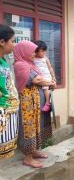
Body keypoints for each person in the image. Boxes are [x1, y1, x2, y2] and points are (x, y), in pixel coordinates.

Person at [13, 40, 55, 169]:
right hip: (26, 103)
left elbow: (41, 77)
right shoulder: (20, 65)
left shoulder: (30, 63)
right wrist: (50, 82)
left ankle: (34, 151)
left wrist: (47, 81)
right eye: (31, 51)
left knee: (36, 125)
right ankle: (28, 158)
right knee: (28, 128)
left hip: (34, 100)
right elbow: (36, 79)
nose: (34, 54)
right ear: (24, 52)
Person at [0, 24, 20, 180]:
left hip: (6, 114)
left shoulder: (3, 61)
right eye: (12, 41)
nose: (14, 45)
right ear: (1, 42)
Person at [33, 41, 56, 112]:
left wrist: (53, 77)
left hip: (46, 76)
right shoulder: (33, 58)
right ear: (36, 51)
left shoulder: (45, 58)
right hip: (39, 77)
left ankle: (47, 103)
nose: (44, 52)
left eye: (45, 51)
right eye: (42, 51)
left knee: (46, 88)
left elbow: (50, 68)